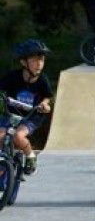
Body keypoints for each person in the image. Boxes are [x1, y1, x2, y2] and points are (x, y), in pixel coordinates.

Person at [1, 40, 54, 174]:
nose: (39, 64)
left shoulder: (42, 80)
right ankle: (3, 163)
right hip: (11, 114)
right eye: (35, 60)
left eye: (41, 60)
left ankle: (30, 156)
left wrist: (44, 104)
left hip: (31, 117)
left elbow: (48, 96)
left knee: (18, 136)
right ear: (24, 62)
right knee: (1, 135)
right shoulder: (13, 77)